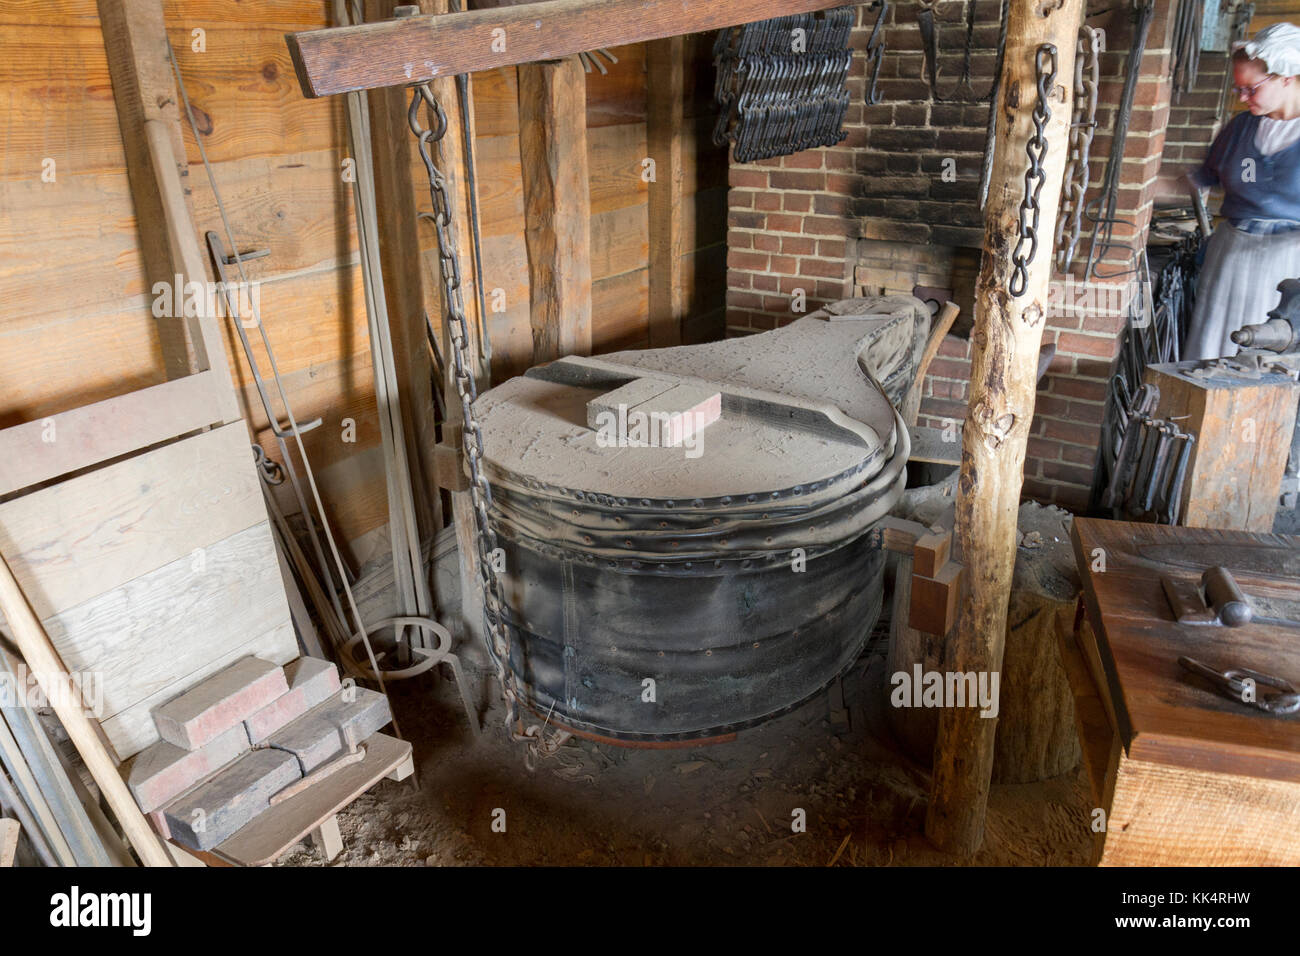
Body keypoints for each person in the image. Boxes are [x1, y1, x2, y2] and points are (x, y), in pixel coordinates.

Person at [1184, 22, 1300, 361]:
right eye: (1238, 90)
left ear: (1287, 78)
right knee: (1213, 348)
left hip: (1288, 265)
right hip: (1231, 256)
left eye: (1251, 88)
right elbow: (1203, 178)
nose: (1243, 98)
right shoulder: (1240, 128)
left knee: (1269, 355)